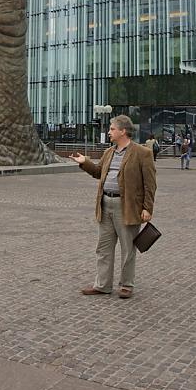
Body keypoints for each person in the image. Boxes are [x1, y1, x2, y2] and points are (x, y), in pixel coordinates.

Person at [69, 115, 157, 299]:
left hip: (127, 207)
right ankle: (102, 285)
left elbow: (150, 184)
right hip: (105, 204)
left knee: (128, 248)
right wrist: (85, 163)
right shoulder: (109, 152)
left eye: (112, 129)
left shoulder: (142, 153)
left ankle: (126, 284)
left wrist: (147, 208)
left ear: (123, 131)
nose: (109, 132)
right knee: (103, 248)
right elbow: (98, 172)